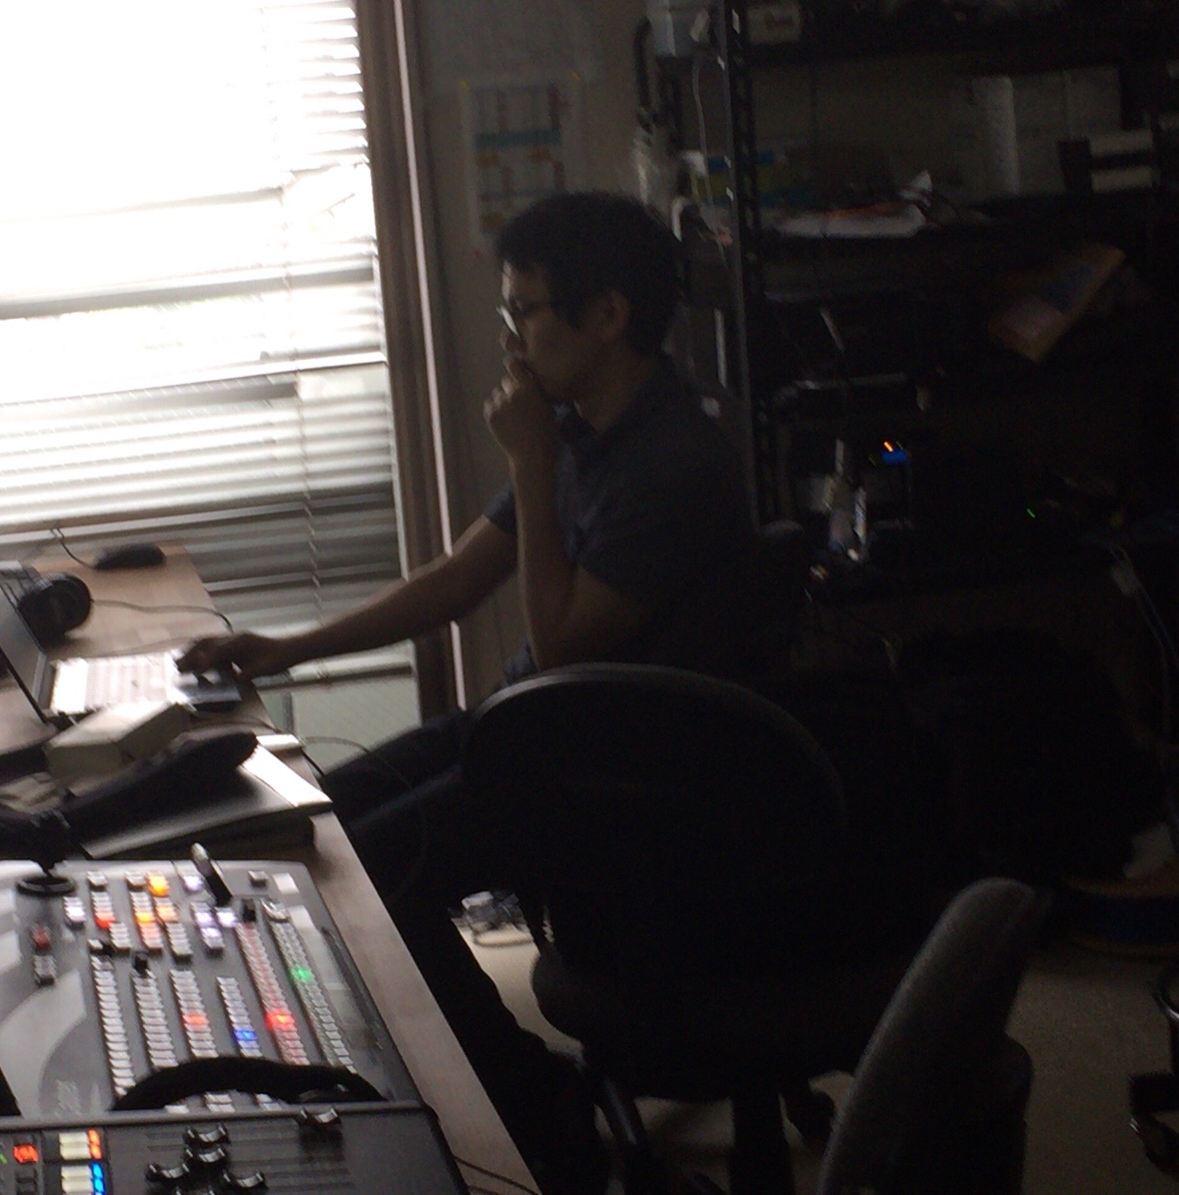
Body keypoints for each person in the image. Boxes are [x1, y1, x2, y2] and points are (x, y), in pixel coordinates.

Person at [180, 189, 754, 1194]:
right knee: (313, 825)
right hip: (529, 727)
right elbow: (456, 578)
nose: (510, 339)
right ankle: (494, 1087)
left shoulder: (671, 463)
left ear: (606, 315)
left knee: (369, 878)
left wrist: (531, 460)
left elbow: (561, 642)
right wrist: (286, 649)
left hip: (610, 773)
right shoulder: (583, 428)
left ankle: (542, 1114)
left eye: (525, 310)